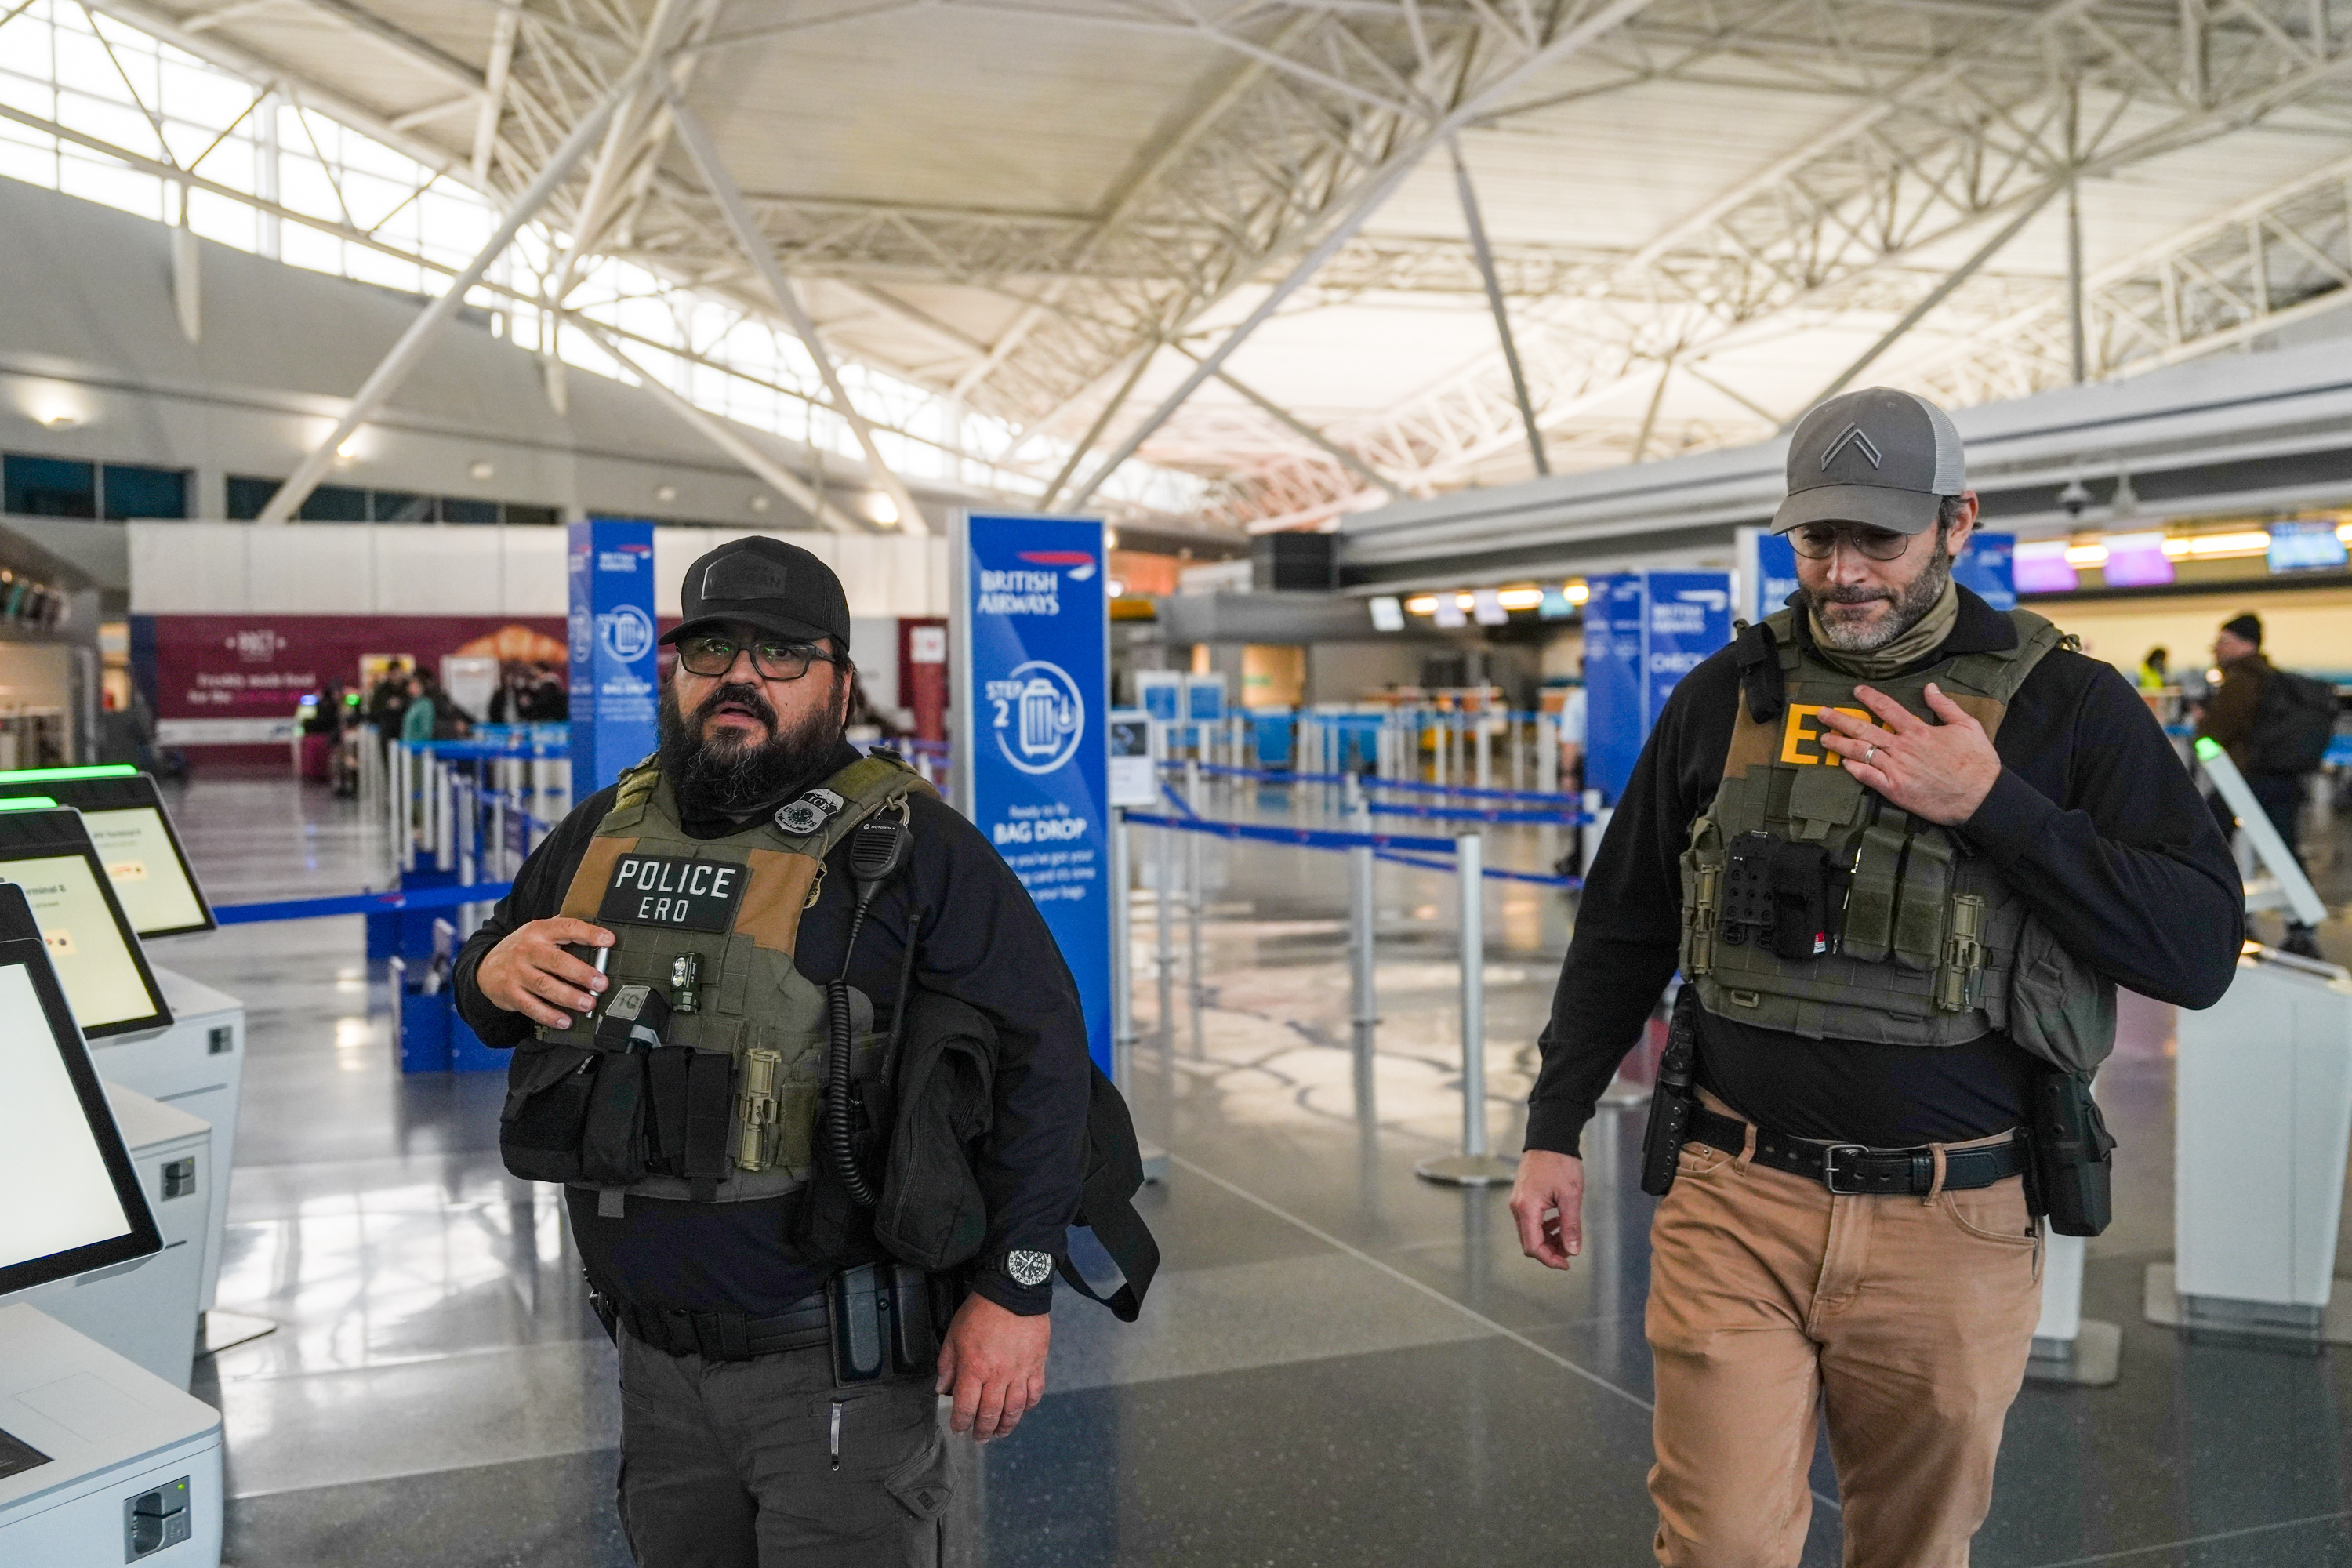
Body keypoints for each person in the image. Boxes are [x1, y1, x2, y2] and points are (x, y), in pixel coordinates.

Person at [1509, 387, 2243, 1567]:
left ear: (1960, 523)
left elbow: (2200, 950)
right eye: (1816, 539)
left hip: (1954, 1225)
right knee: (1719, 1548)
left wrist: (1993, 805)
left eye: (1878, 540)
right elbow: (1625, 924)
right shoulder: (1726, 695)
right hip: (1734, 1201)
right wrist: (1555, 1124)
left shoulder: (2067, 705)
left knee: (1914, 1549)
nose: (1843, 572)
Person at [453, 537, 1089, 1566]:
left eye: (782, 653)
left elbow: (1044, 1061)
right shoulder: (606, 829)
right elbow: (492, 977)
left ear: (839, 684)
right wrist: (489, 972)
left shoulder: (913, 847)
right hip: (652, 1365)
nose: (741, 676)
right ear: (678, 671)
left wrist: (1017, 1288)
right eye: (713, 649)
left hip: (835, 1372)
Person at [2194, 612, 2325, 957]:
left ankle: (2211, 905)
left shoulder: (2242, 678)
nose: (2216, 650)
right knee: (2285, 846)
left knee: (2207, 832)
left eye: (2222, 642)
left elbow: (2217, 730)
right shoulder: (2271, 677)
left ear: (2241, 644)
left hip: (2249, 778)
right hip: (2280, 779)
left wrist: (2202, 724)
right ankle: (2302, 926)